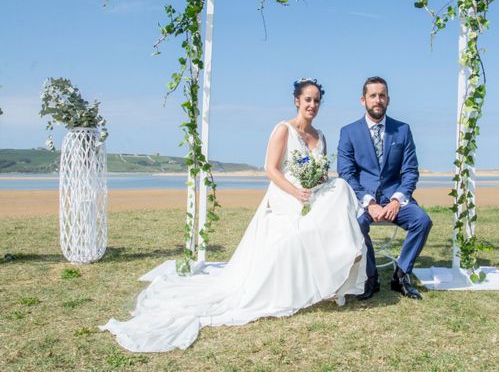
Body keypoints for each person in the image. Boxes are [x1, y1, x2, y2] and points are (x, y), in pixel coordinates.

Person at [101, 78, 366, 352]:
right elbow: (271, 169)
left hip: (311, 193)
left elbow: (321, 171)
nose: (312, 105)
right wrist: (296, 192)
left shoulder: (320, 136)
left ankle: (345, 258)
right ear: (297, 101)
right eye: (307, 99)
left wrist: (318, 180)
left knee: (341, 188)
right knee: (299, 233)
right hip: (286, 195)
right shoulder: (283, 129)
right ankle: (318, 276)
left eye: (317, 100)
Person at [338, 76, 432, 300]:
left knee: (422, 221)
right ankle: (371, 277)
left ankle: (401, 275)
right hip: (364, 200)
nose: (377, 100)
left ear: (388, 99)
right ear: (363, 100)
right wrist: (369, 202)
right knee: (357, 224)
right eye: (373, 96)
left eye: (382, 95)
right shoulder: (348, 132)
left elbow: (410, 171)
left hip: (395, 198)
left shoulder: (403, 130)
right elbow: (346, 173)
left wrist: (397, 200)